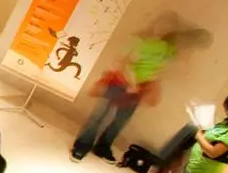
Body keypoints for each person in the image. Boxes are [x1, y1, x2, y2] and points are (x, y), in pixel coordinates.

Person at [69, 26, 187, 162]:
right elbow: (121, 63)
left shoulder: (167, 50)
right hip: (118, 82)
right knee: (99, 115)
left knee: (120, 121)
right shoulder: (139, 41)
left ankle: (102, 147)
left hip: (138, 88)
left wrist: (149, 85)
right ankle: (82, 145)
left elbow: (163, 68)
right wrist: (132, 83)